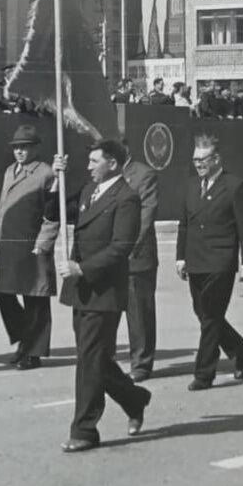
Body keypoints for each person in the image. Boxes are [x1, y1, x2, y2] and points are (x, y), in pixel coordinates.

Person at [48, 141, 151, 452]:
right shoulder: (87, 191)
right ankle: (134, 398)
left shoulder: (127, 198)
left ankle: (85, 429)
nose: (89, 166)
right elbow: (53, 212)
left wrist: (83, 268)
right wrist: (57, 179)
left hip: (104, 289)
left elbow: (122, 246)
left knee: (89, 360)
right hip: (82, 290)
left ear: (114, 164)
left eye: (95, 161)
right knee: (94, 357)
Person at [176, 133, 243, 391]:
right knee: (202, 312)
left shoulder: (235, 185)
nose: (198, 164)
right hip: (196, 259)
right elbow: (184, 224)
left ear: (216, 159)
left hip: (221, 260)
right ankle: (239, 347)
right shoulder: (190, 185)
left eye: (203, 159)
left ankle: (204, 373)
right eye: (195, 159)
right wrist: (180, 257)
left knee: (210, 316)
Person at [0, 125, 59, 370]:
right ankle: (25, 339)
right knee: (3, 294)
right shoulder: (11, 170)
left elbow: (53, 213)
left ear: (34, 148)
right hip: (9, 244)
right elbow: (2, 209)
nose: (20, 152)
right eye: (17, 147)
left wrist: (44, 243)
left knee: (36, 299)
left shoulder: (46, 173)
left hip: (33, 244)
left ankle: (34, 353)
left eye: (25, 147)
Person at [121, 141, 159, 382]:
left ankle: (141, 364)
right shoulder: (104, 173)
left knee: (139, 314)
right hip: (109, 257)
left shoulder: (143, 174)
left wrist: (127, 246)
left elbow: (146, 213)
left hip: (136, 256)